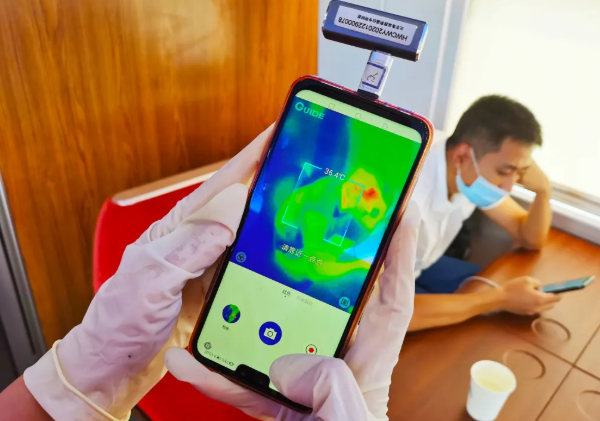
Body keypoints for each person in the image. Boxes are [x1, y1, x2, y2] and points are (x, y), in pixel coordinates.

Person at [0, 125, 421, 421]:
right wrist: (83, 381)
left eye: (365, 212)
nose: (348, 212)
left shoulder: (341, 273)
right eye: (348, 195)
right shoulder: (278, 222)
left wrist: (76, 387)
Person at [409, 95, 561, 332]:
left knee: (499, 287)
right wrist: (500, 298)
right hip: (385, 287)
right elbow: (379, 312)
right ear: (461, 156)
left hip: (423, 265)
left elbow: (529, 237)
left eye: (520, 172)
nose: (509, 187)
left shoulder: (466, 171)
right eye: (505, 172)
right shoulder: (409, 198)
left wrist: (543, 191)